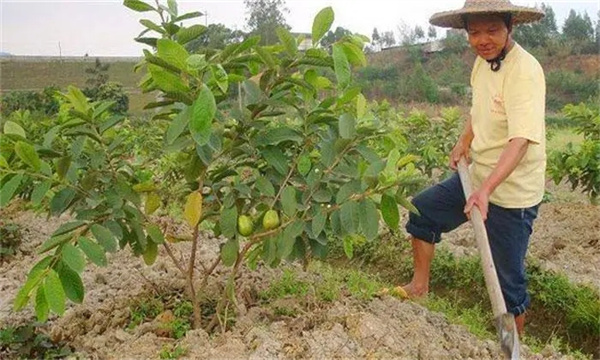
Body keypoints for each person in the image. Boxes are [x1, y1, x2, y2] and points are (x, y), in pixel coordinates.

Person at [402, 0, 547, 335]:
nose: (483, 39)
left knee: (507, 279)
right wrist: (463, 141)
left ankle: (515, 346)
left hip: (511, 194)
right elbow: (479, 109)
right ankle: (419, 287)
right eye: (475, 32)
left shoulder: (524, 71)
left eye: (492, 30)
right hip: (478, 177)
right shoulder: (482, 64)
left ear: (510, 26)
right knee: (422, 211)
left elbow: (521, 140)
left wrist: (486, 191)